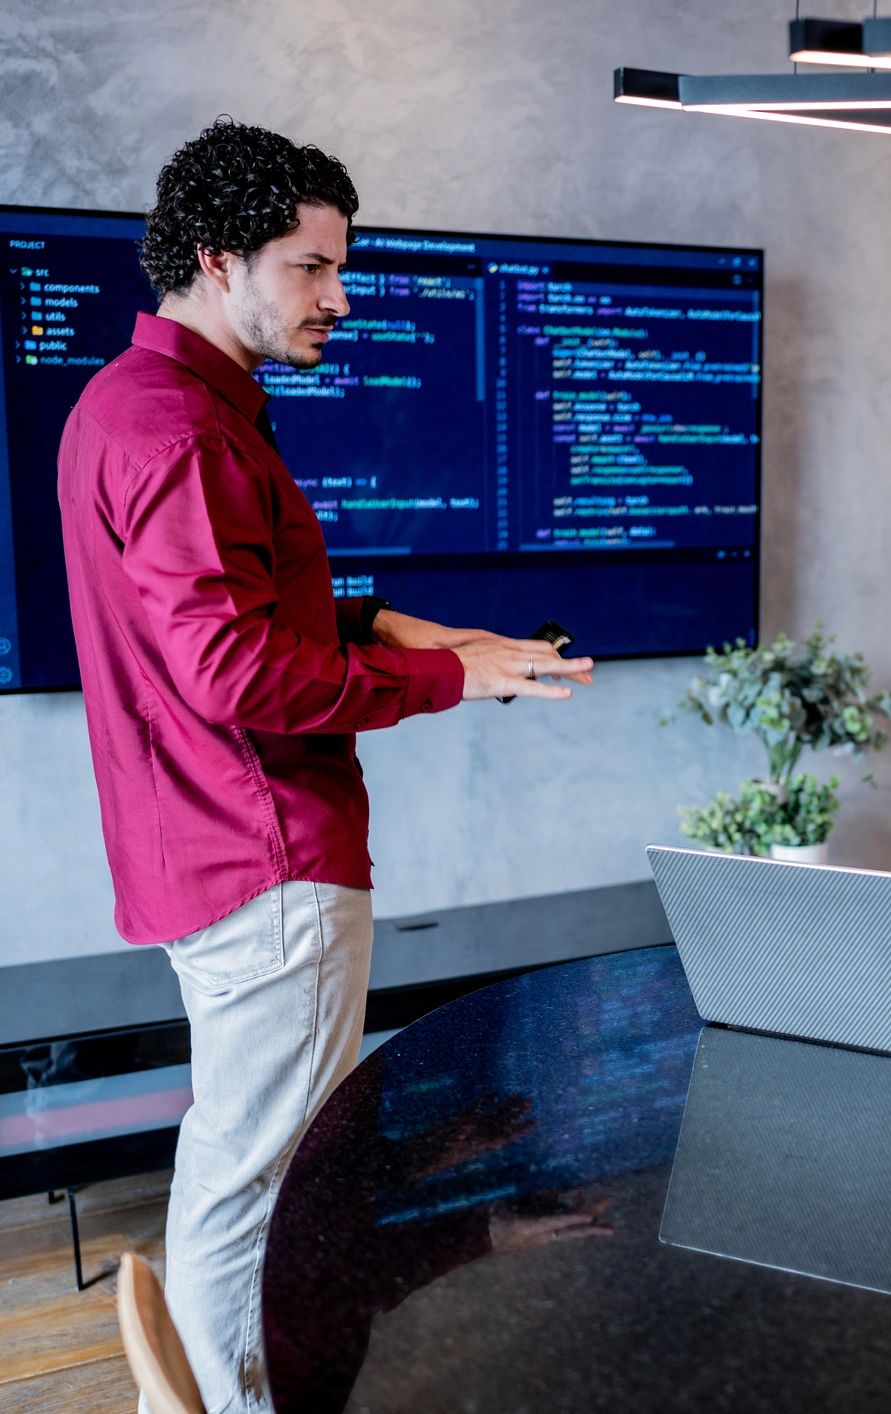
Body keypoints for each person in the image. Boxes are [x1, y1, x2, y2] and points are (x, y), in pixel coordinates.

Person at [56, 118, 594, 1412]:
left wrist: (379, 623)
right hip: (267, 860)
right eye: (310, 267)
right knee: (258, 1191)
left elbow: (218, 619)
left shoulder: (135, 406)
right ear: (216, 261)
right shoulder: (184, 432)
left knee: (245, 1166)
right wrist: (452, 678)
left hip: (207, 851)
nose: (338, 297)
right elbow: (233, 673)